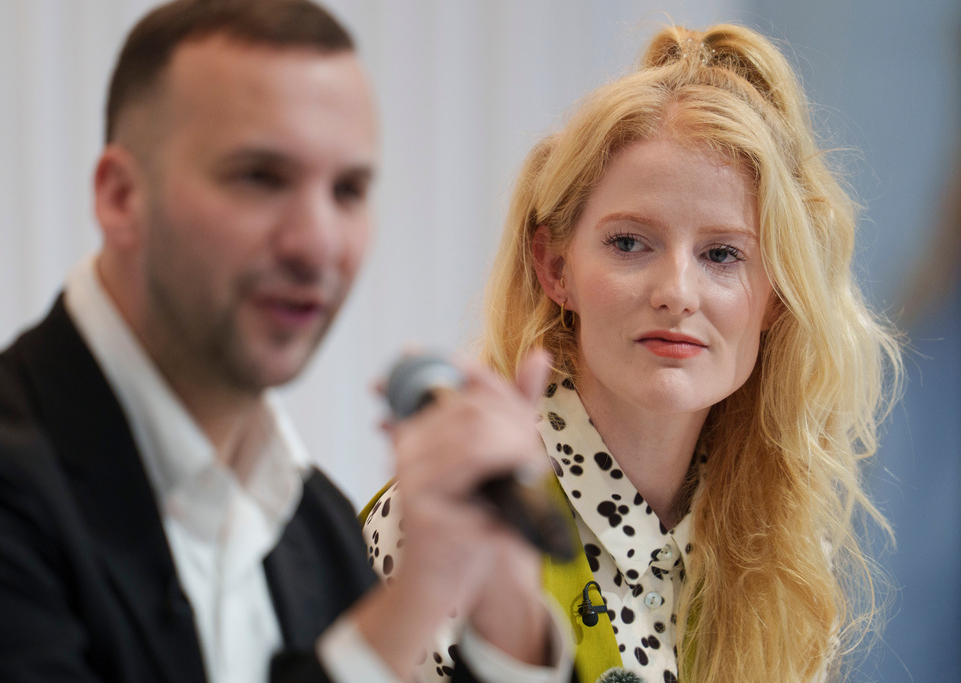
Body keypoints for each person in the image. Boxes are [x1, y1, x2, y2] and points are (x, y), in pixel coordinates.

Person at [0, 1, 574, 682]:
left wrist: (507, 618)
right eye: (260, 178)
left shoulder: (320, 529)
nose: (318, 243)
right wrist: (389, 633)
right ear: (121, 196)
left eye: (349, 189)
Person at [363, 23, 903, 683]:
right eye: (629, 243)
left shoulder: (787, 559)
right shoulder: (449, 524)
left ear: (776, 299)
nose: (677, 292)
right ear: (554, 266)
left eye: (722, 254)